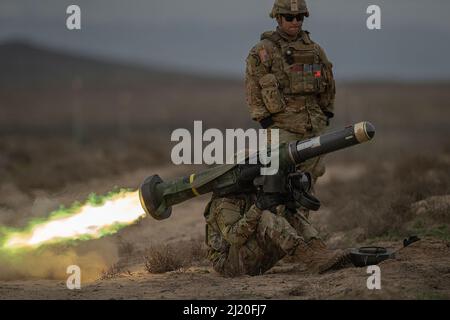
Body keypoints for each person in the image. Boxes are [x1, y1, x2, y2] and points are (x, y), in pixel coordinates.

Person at [245, 0, 336, 187]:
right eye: (289, 17)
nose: (295, 21)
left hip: (314, 125)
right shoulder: (263, 50)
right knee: (279, 180)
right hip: (282, 127)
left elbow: (328, 83)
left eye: (300, 17)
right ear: (278, 18)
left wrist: (326, 112)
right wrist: (265, 120)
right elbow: (253, 86)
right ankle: (276, 216)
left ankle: (301, 216)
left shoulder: (315, 50)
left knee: (309, 179)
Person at [204, 188, 351, 277]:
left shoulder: (252, 192)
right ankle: (311, 260)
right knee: (264, 216)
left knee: (288, 213)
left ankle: (320, 252)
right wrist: (258, 208)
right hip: (232, 266)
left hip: (253, 260)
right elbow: (234, 237)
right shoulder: (224, 201)